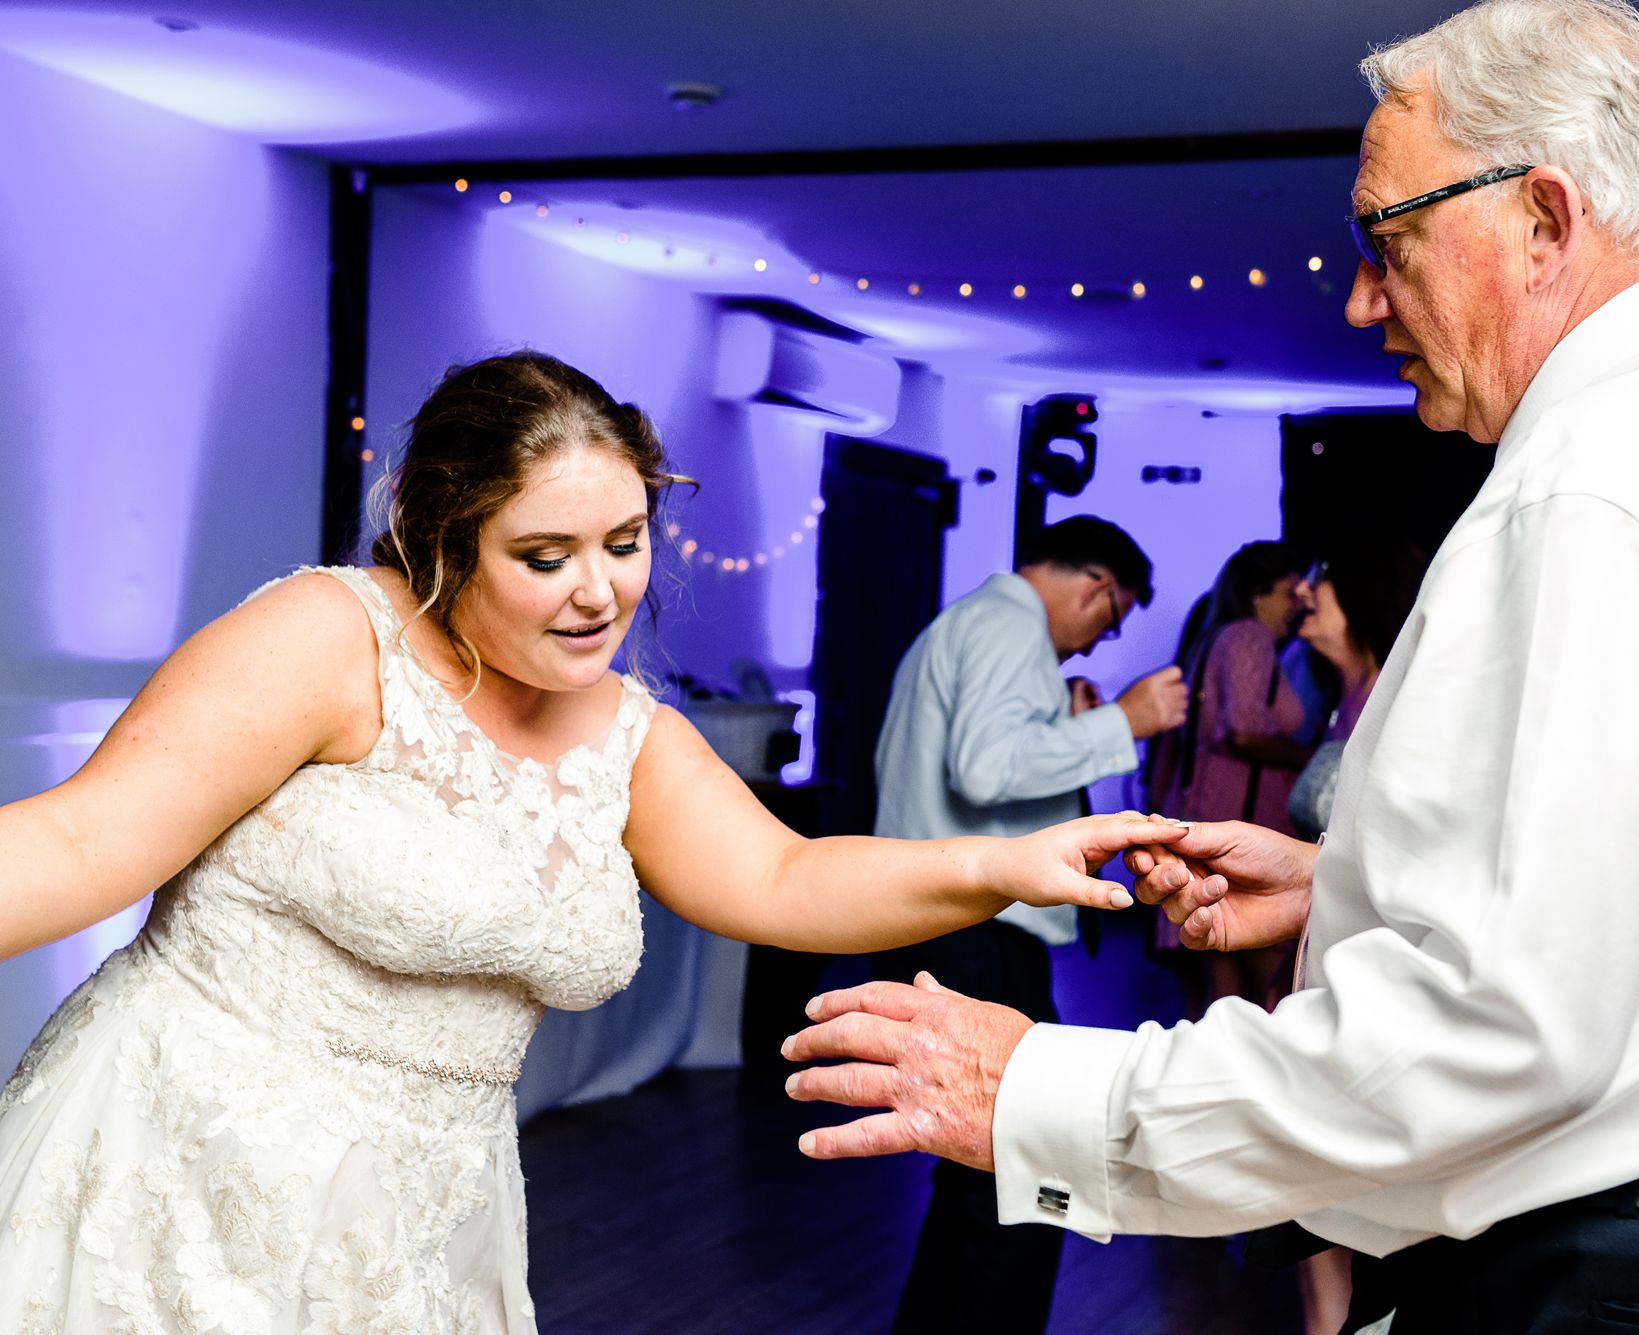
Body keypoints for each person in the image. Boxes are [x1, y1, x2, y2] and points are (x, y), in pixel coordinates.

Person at [780, 3, 1639, 1331]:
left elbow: (1502, 1029)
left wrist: (1046, 1092)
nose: (1361, 297)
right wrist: (1351, 882)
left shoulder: (1608, 486)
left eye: (1387, 240)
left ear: (1544, 216)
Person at [0, 352, 1183, 1331]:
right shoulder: (327, 639)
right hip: (181, 1164)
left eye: (623, 542)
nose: (598, 594)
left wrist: (998, 865)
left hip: (423, 1214)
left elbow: (781, 875)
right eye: (543, 557)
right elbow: (75, 845)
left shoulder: (626, 732)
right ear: (441, 533)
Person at [867, 514, 1187, 1335]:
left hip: (947, 923)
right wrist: (1124, 721)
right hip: (983, 929)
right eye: (1104, 622)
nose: (1087, 644)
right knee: (1021, 1163)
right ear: (1096, 587)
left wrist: (1065, 721)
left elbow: (985, 756)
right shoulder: (1010, 627)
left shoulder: (971, 622)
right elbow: (984, 770)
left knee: (972, 1166)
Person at [1151, 540, 1310, 1016]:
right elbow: (1243, 731)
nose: (1299, 602)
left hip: (1208, 809)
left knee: (1212, 991)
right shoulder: (1248, 636)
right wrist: (1315, 759)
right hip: (1241, 818)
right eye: (1289, 591)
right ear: (1259, 594)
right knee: (1260, 997)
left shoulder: (1210, 636)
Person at [1285, 537, 1421, 840]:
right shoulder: (1336, 696)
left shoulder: (1399, 699)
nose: (1301, 589)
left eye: (1319, 575)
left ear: (1361, 588)